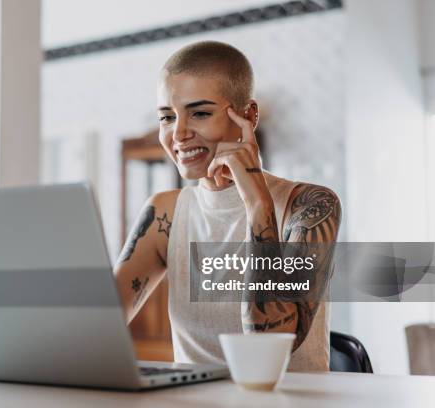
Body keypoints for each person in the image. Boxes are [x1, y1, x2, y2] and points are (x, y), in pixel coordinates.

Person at [113, 41, 341, 372]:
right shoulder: (164, 213)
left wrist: (258, 203)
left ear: (247, 115)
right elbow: (97, 330)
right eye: (166, 117)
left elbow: (267, 353)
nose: (178, 134)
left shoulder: (311, 206)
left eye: (200, 113)